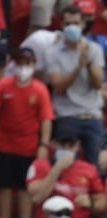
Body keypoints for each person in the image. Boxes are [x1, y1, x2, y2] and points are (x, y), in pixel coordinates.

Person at [0, 47, 56, 218]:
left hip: (29, 147)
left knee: (25, 187)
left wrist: (44, 144)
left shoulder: (40, 90)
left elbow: (46, 120)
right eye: (19, 63)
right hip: (4, 145)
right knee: (4, 186)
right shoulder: (2, 86)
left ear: (33, 65)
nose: (22, 67)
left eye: (27, 63)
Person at [40, 5, 105, 169]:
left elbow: (98, 84)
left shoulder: (95, 49)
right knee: (65, 167)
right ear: (61, 25)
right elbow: (58, 86)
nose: (72, 27)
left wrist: (88, 62)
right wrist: (78, 67)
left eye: (76, 23)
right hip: (66, 116)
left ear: (83, 24)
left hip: (92, 116)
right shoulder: (52, 51)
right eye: (68, 24)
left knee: (93, 169)